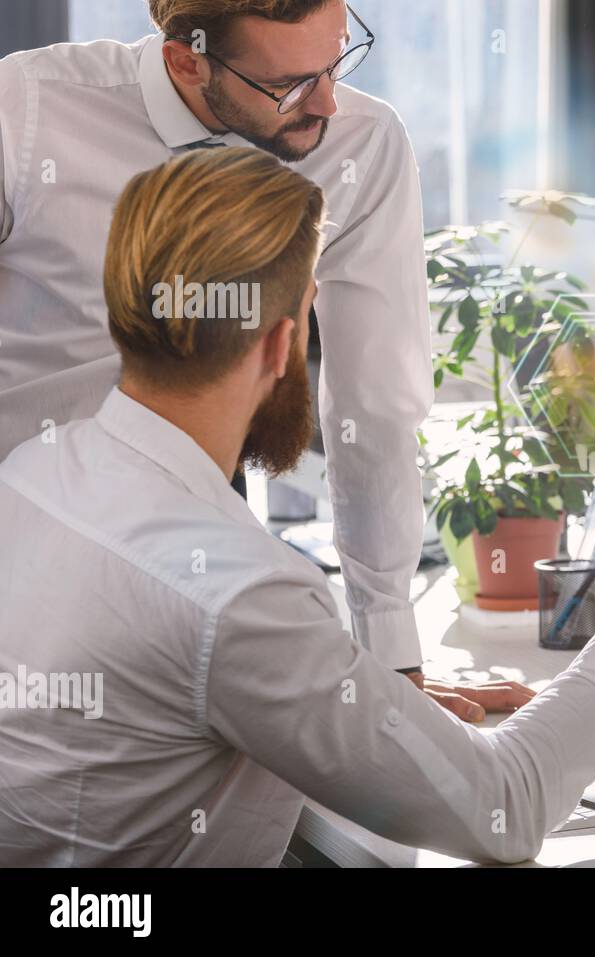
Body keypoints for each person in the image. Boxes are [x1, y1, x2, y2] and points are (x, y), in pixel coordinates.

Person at [0, 148, 595, 865]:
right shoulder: (240, 593)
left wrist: (357, 699)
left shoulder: (33, 471)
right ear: (283, 343)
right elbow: (508, 804)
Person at [0, 0, 436, 691]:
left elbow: (376, 404)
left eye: (338, 58)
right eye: (288, 83)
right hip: (21, 549)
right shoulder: (24, 113)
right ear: (186, 60)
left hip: (199, 560)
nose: (327, 101)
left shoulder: (363, 143)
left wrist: (391, 653)